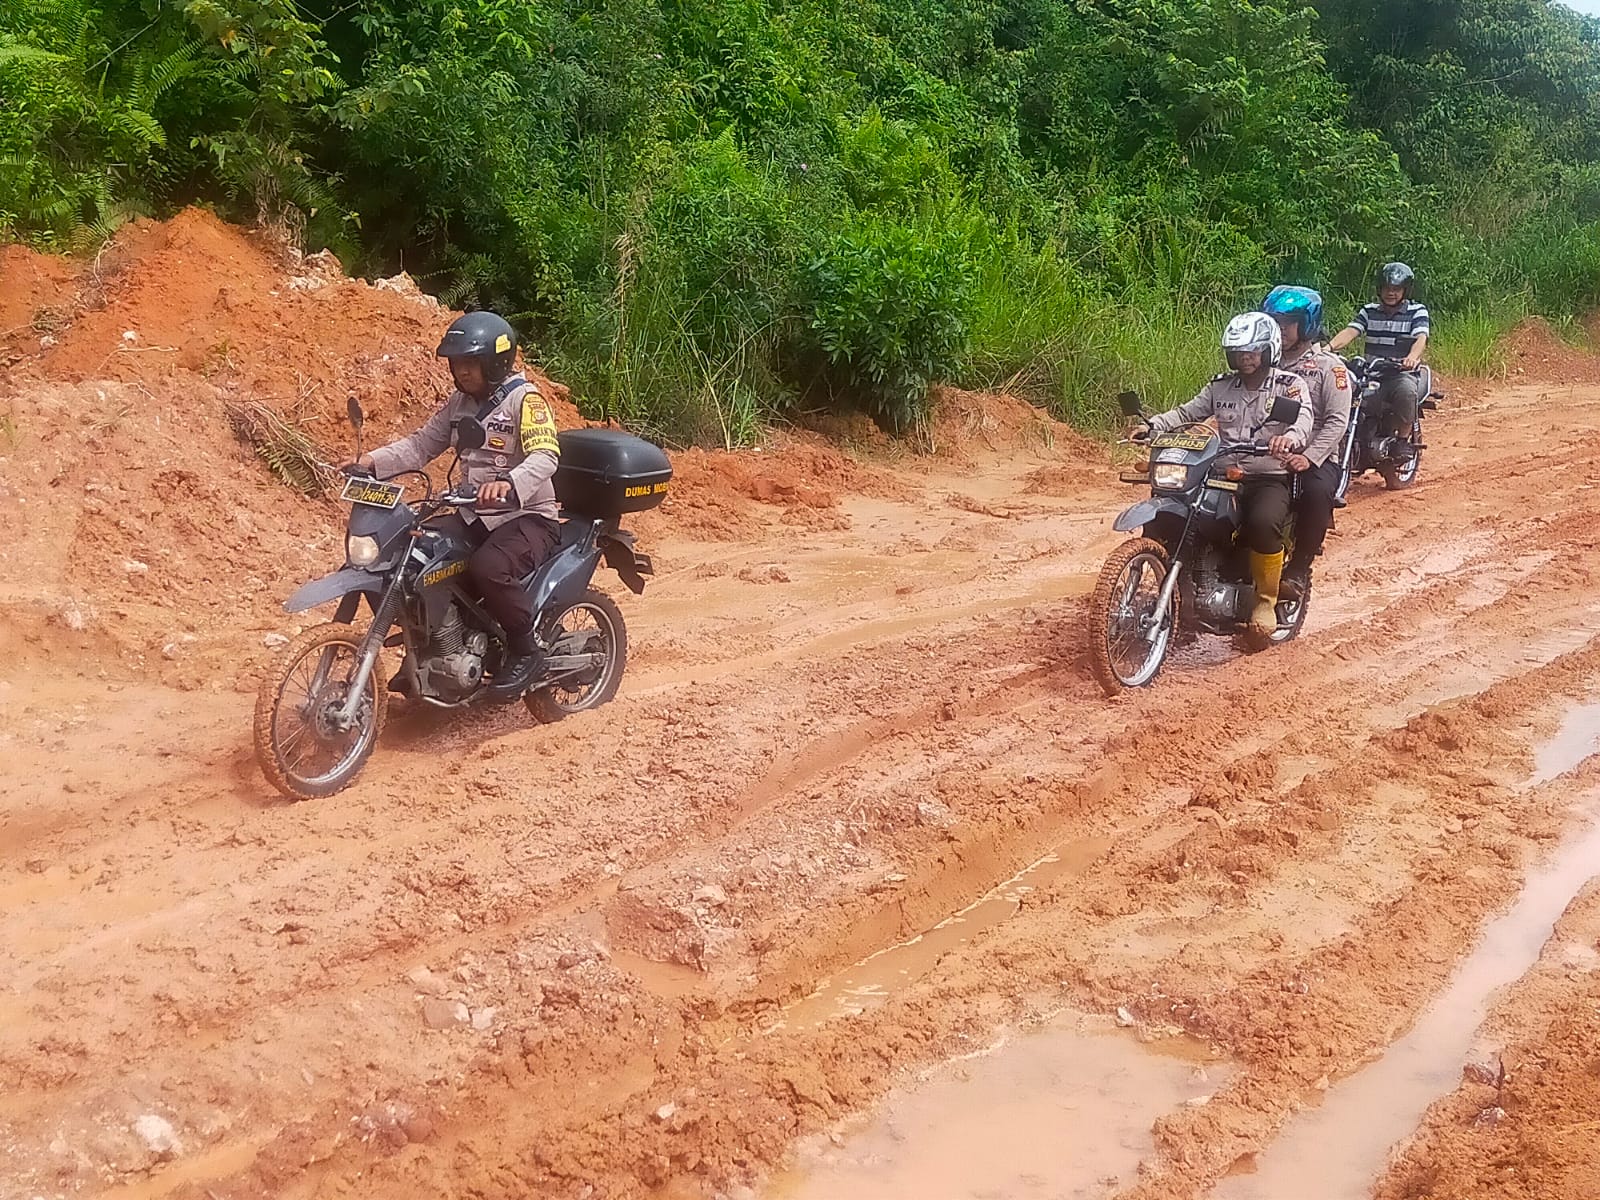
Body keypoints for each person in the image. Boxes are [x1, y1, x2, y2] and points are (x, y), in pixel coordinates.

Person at [344, 311, 561, 696]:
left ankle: (526, 650)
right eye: (457, 362)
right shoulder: (459, 404)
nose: (461, 371)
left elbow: (546, 455)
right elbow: (420, 445)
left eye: (470, 362)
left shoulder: (525, 401)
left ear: (495, 362)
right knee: (413, 556)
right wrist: (372, 462)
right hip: (474, 513)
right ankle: (429, 651)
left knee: (489, 567)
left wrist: (509, 483)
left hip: (526, 516)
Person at [1140, 312, 1315, 637]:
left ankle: (1264, 601)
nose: (1245, 358)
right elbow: (1187, 412)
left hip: (1266, 475)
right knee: (1186, 514)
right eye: (1238, 352)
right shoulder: (1220, 386)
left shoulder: (1289, 385)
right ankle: (1184, 591)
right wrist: (1152, 425)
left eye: (1252, 351)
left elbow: (1303, 418)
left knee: (1263, 522)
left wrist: (1289, 438)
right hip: (1219, 472)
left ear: (1269, 349)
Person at [1261, 285, 1351, 599]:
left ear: (1308, 325)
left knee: (1316, 492)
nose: (1281, 329)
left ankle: (1300, 567)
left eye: (1289, 322)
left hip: (1315, 455)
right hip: (1262, 451)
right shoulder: (1259, 362)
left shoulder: (1330, 367)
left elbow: (1337, 422)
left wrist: (1309, 457)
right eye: (1275, 321)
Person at [1328, 262, 1430, 457]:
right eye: (1386, 288)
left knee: (1407, 391)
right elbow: (1351, 331)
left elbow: (1421, 338)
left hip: (1400, 372)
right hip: (1372, 372)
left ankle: (1402, 441)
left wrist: (1411, 358)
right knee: (1346, 391)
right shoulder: (1369, 310)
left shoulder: (1417, 311)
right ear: (1379, 289)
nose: (1390, 293)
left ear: (1405, 290)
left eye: (1396, 289)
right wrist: (1328, 348)